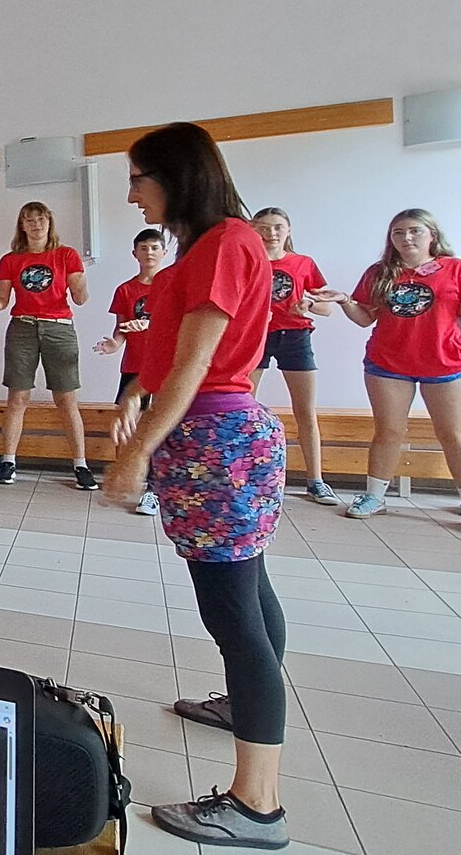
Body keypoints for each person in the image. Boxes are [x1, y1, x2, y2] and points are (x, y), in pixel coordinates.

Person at [102, 123, 288, 849]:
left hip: (217, 440)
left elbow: (195, 365)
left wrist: (135, 453)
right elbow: (172, 353)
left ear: (177, 176)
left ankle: (257, 804)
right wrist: (135, 397)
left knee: (233, 612)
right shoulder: (213, 245)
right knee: (248, 596)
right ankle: (248, 705)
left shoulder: (222, 243)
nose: (132, 194)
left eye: (138, 178)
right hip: (213, 434)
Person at [329, 210, 461, 532]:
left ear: (432, 235)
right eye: (398, 232)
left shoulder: (455, 268)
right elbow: (365, 318)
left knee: (454, 435)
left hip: (447, 363)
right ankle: (374, 496)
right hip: (388, 364)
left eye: (414, 231)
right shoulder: (380, 272)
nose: (406, 238)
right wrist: (344, 301)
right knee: (388, 432)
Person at [0, 202, 95, 489]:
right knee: (17, 398)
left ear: (49, 222)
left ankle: (81, 465)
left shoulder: (66, 255)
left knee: (66, 399)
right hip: (22, 328)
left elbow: (81, 299)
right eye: (29, 220)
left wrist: (81, 283)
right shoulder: (10, 260)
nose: (36, 224)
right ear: (22, 226)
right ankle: (8, 462)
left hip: (59, 328)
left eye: (40, 219)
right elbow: (1, 301)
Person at [250, 208, 339, 505]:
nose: (271, 233)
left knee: (305, 411)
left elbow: (327, 307)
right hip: (256, 338)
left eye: (277, 227)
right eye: (263, 227)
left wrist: (309, 305)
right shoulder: (249, 262)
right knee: (244, 407)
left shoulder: (303, 263)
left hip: (296, 337)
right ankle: (247, 475)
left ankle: (316, 481)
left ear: (288, 230)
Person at [94, 228, 165, 512]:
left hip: (165, 369)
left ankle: (155, 489)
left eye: (154, 248)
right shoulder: (125, 290)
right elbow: (121, 328)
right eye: (144, 248)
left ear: (164, 252)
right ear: (135, 253)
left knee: (160, 425)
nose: (149, 253)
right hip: (134, 368)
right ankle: (126, 477)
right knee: (126, 423)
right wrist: (114, 344)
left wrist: (151, 324)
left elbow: (180, 326)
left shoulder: (172, 285)